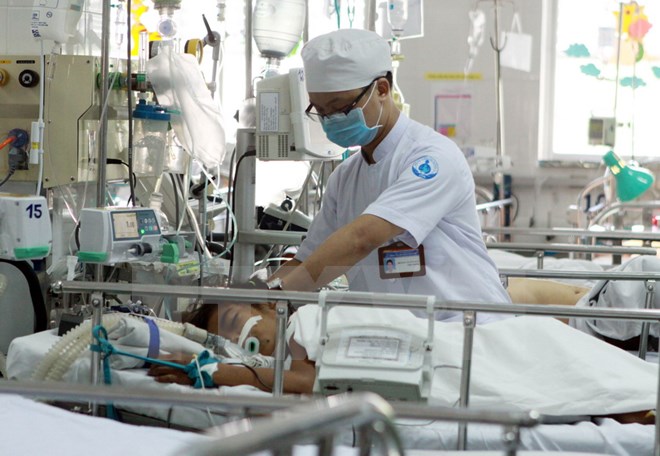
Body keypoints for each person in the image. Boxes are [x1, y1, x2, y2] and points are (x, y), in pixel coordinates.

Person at [267, 29, 510, 322]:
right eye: (321, 112)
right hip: (401, 333)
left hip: (467, 325)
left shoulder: (431, 158)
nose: (331, 120)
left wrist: (276, 298)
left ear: (382, 89)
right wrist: (253, 297)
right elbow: (306, 261)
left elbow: (362, 238)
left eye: (340, 108)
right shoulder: (345, 178)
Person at [148, 301, 315, 394]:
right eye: (227, 341)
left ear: (268, 305)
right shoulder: (272, 363)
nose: (235, 338)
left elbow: (306, 382)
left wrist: (208, 370)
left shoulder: (303, 319)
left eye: (233, 320)